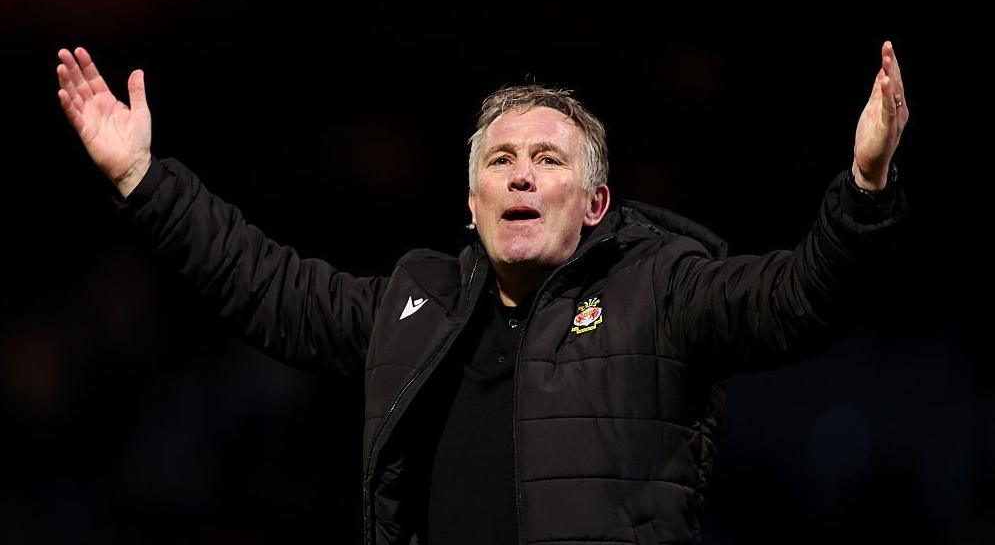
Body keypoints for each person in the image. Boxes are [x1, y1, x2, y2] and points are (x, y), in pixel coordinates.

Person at [56, 41, 908, 545]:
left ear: (596, 202)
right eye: (499, 161)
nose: (521, 175)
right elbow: (265, 286)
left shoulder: (661, 289)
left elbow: (799, 297)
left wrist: (865, 186)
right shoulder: (413, 303)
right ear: (472, 204)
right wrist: (140, 176)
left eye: (547, 160)